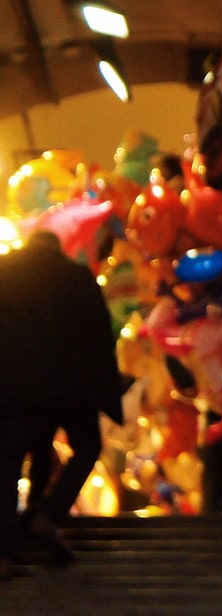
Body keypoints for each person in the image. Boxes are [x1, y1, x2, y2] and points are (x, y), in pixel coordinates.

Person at [0, 230, 124, 579]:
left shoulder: (4, 272)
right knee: (87, 447)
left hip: (12, 389)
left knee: (7, 462)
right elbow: (100, 336)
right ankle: (47, 514)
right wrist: (106, 391)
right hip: (70, 389)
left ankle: (5, 552)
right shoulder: (77, 277)